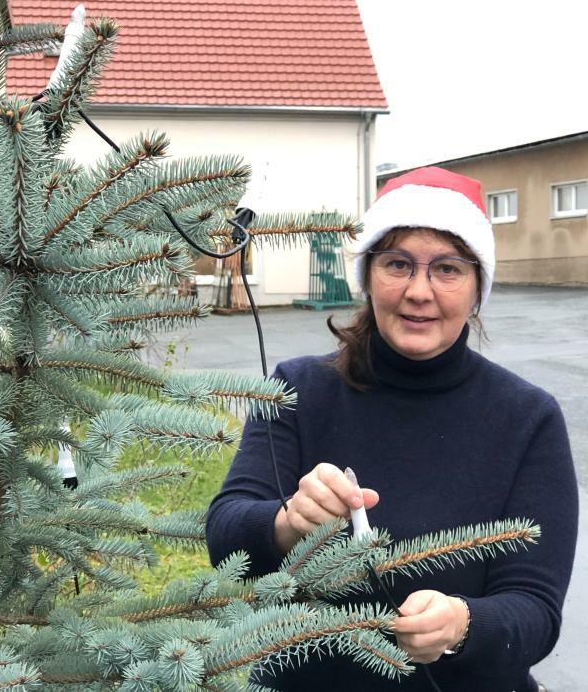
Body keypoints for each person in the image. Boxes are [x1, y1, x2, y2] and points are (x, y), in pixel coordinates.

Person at [206, 167, 578, 692]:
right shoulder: (299, 388)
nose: (419, 292)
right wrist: (287, 523)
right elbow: (225, 537)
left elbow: (536, 610)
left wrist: (464, 625)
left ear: (477, 289)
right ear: (368, 275)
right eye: (398, 264)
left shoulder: (528, 418)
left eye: (447, 269)